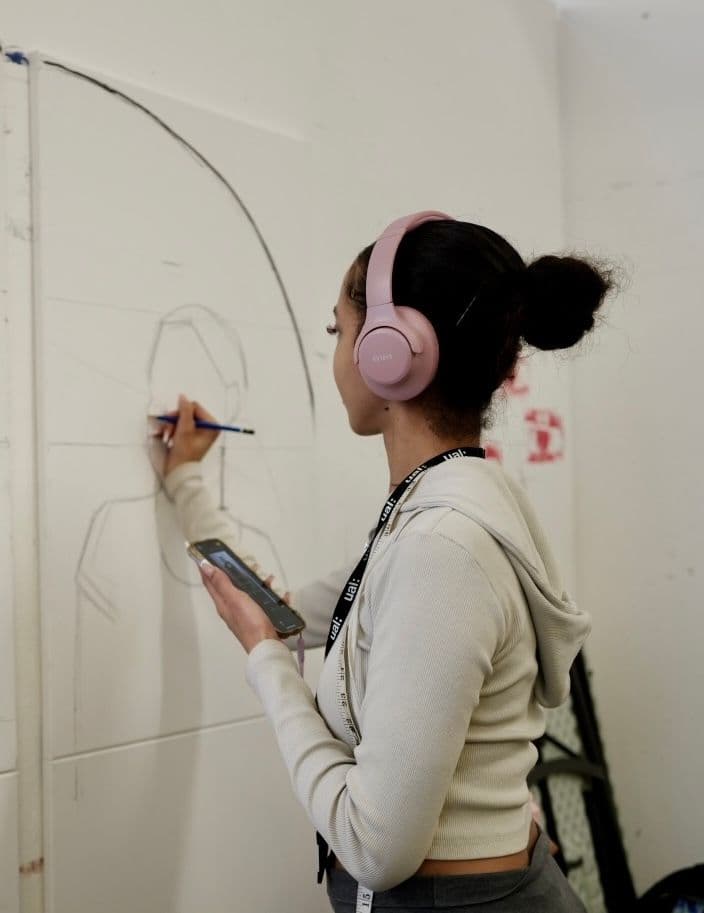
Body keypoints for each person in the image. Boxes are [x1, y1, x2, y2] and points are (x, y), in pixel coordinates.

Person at [158, 212, 612, 912]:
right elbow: (294, 608)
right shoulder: (439, 509)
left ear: (390, 352)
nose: (338, 352)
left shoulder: (441, 548)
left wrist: (266, 659)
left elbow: (377, 845)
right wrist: (188, 482)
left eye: (340, 332)